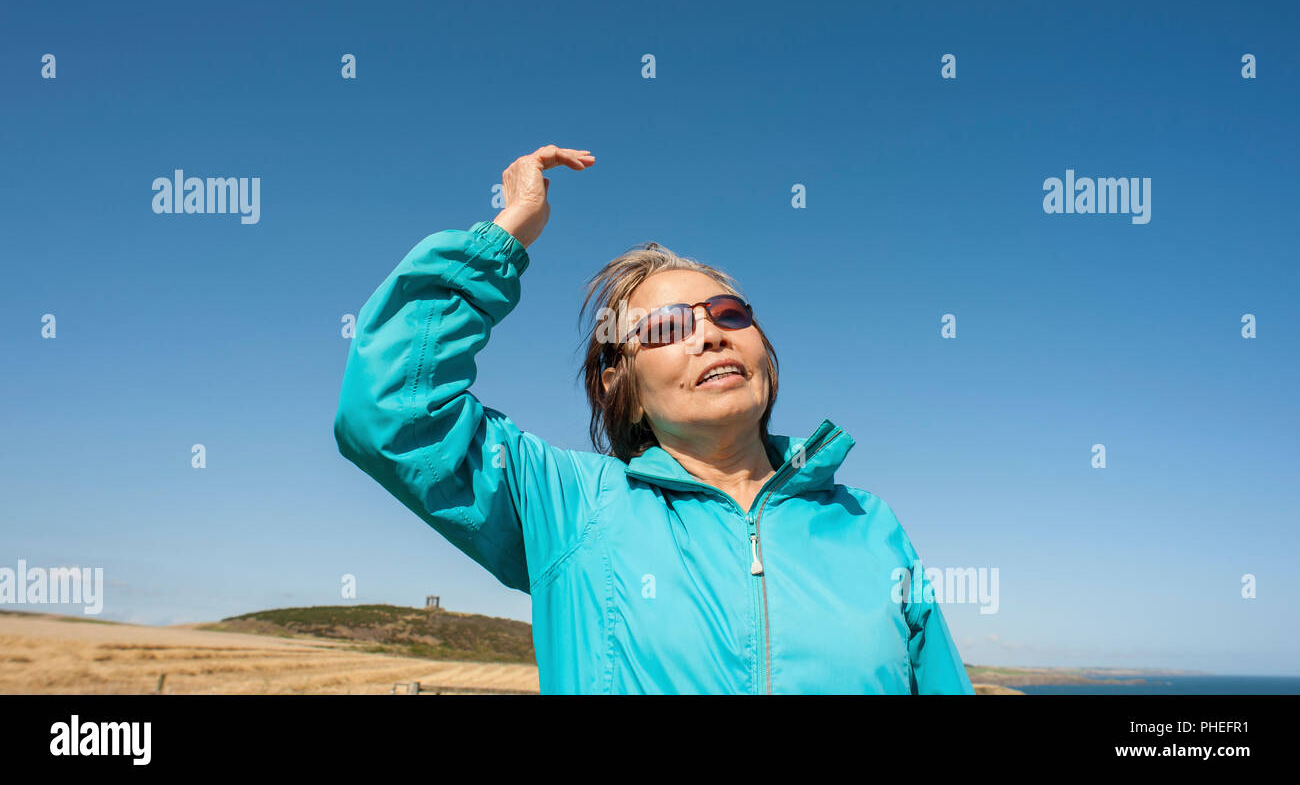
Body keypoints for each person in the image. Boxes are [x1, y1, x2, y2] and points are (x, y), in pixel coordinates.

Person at [333, 144, 975, 695]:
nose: (710, 336)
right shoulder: (568, 507)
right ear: (623, 387)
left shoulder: (869, 526)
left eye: (728, 313)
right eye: (668, 328)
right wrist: (509, 231)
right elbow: (390, 409)